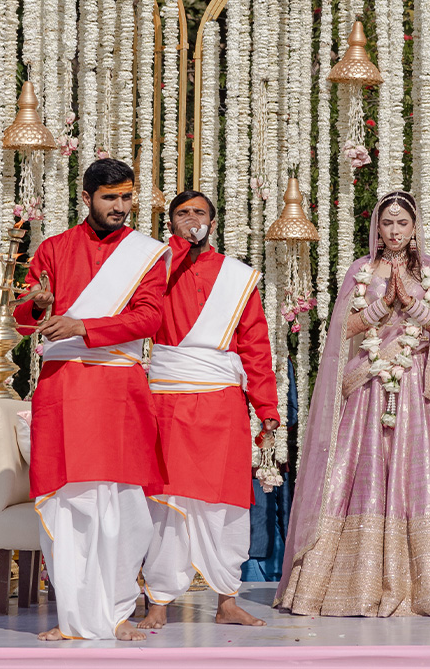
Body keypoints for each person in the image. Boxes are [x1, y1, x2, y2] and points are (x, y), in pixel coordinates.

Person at [277, 189, 430, 616]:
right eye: (386, 223)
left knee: (422, 470)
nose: (393, 231)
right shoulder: (361, 270)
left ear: (415, 229)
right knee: (364, 470)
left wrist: (410, 306)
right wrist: (380, 308)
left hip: (416, 387)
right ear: (377, 227)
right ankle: (350, 583)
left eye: (401, 223)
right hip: (369, 384)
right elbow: (342, 331)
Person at [13, 157, 169, 642]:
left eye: (126, 197)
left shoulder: (146, 254)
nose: (120, 207)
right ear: (86, 198)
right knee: (66, 502)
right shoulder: (54, 249)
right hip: (65, 388)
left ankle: (118, 611)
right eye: (110, 198)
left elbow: (150, 319)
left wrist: (84, 326)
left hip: (120, 389)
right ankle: (75, 616)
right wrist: (37, 304)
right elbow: (22, 321)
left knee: (124, 506)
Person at [141, 191, 281, 629]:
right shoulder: (153, 268)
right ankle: (158, 602)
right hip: (168, 401)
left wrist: (266, 404)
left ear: (213, 222)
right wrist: (176, 250)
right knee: (168, 502)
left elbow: (255, 344)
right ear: (171, 223)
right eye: (182, 214)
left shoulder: (236, 278)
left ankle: (227, 601)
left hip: (222, 405)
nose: (191, 220)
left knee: (227, 503)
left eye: (199, 213)